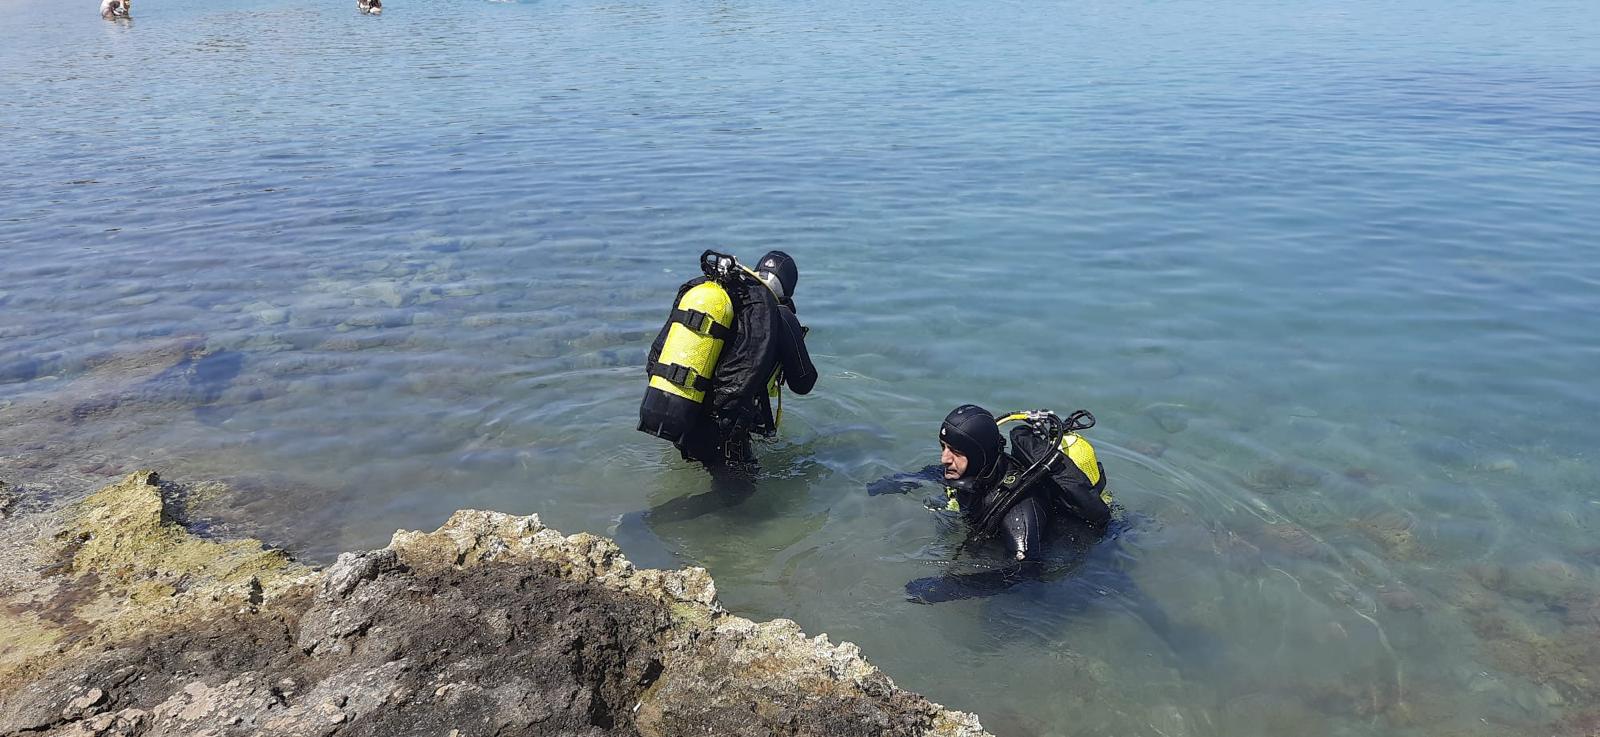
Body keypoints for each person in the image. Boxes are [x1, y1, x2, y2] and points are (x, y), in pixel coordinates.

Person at [870, 404, 1112, 601]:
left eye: (955, 451)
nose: (944, 458)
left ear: (978, 455)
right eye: (943, 447)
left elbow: (1026, 572)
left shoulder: (1019, 511)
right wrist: (899, 481)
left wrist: (953, 588)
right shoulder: (976, 470)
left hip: (1076, 549)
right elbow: (937, 473)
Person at [640, 250, 817, 474]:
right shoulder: (780, 316)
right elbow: (803, 383)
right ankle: (656, 512)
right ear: (788, 290)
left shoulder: (731, 302)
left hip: (684, 409)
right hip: (723, 430)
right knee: (737, 500)